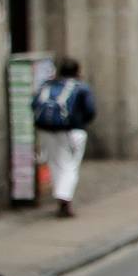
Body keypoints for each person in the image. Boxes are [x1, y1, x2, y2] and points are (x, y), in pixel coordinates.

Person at [30, 57, 96, 218]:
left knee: (55, 164)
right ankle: (64, 200)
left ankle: (61, 198)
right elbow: (90, 110)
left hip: (47, 131)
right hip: (72, 131)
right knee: (70, 165)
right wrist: (81, 122)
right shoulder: (81, 88)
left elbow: (33, 104)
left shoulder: (48, 86)